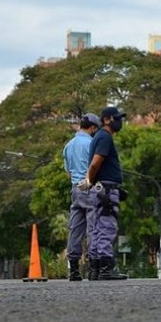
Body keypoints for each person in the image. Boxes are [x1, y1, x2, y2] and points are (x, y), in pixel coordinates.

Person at [79, 106, 128, 281]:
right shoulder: (105, 137)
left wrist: (90, 184)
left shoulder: (98, 137)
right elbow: (95, 164)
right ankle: (106, 268)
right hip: (105, 189)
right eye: (117, 118)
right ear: (107, 119)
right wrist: (91, 181)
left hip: (98, 190)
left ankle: (95, 269)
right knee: (107, 227)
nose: (120, 122)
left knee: (96, 228)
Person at [62, 113, 101, 281]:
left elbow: (68, 174)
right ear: (92, 127)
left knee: (75, 228)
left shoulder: (68, 146)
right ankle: (94, 269)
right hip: (89, 187)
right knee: (94, 227)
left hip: (76, 190)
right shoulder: (92, 144)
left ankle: (74, 270)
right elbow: (96, 167)